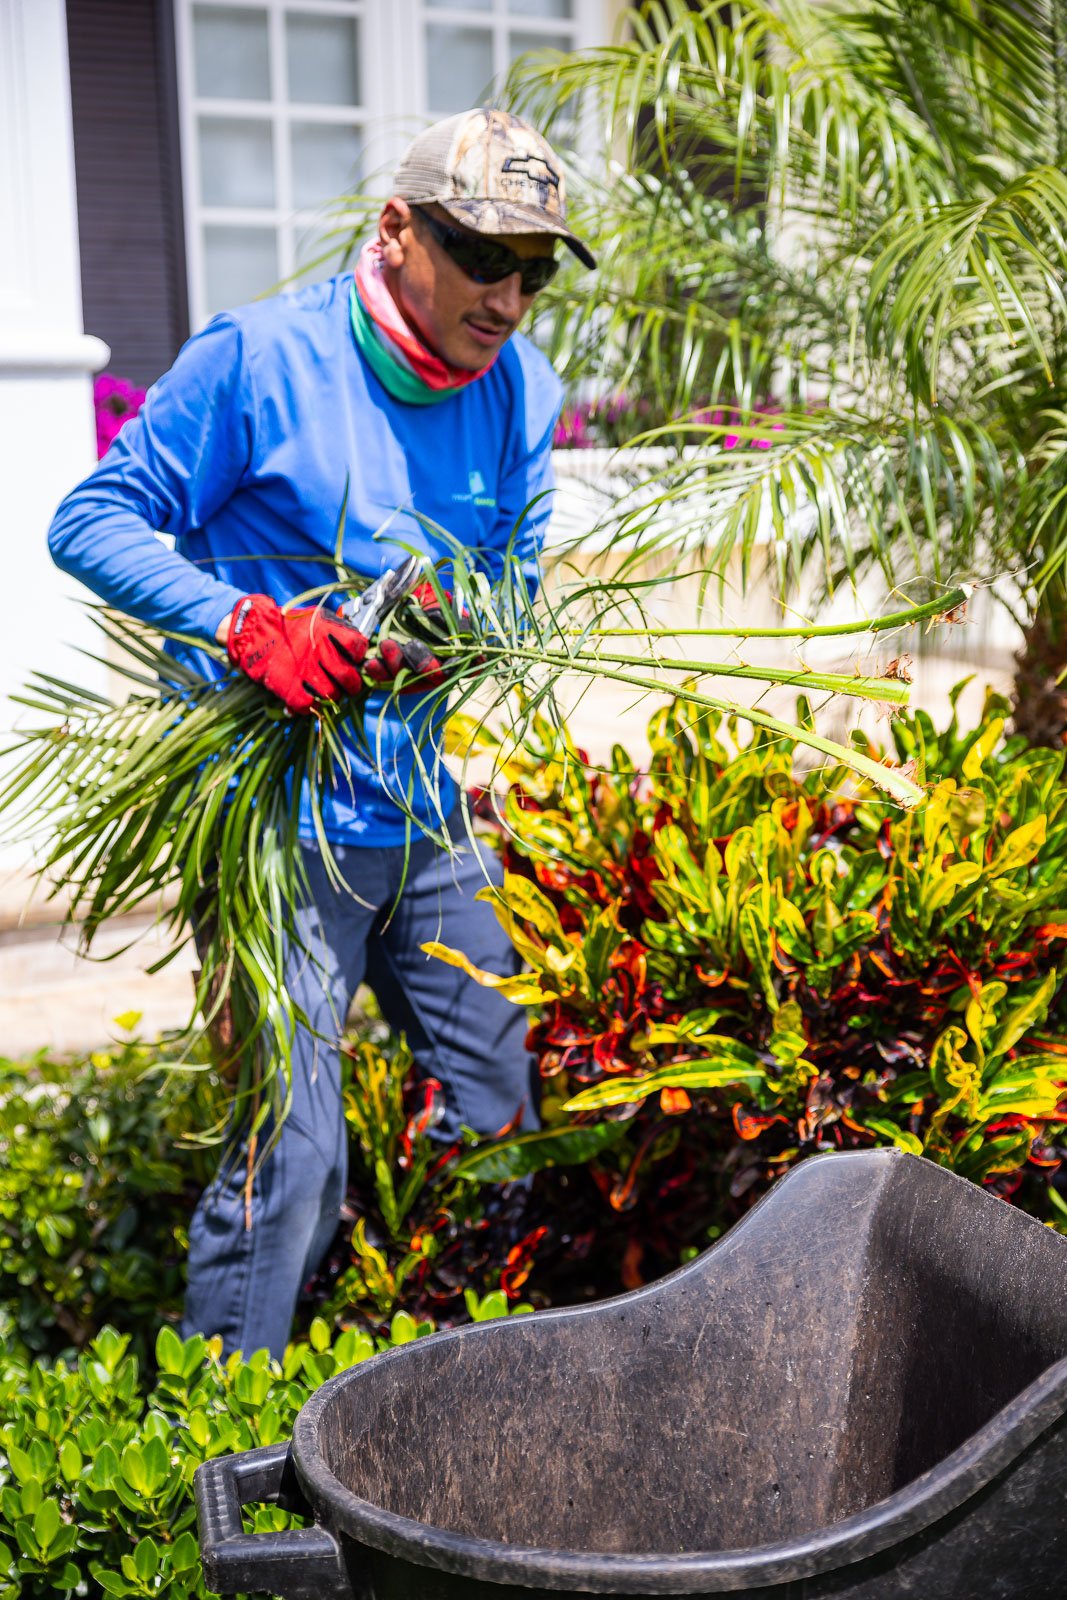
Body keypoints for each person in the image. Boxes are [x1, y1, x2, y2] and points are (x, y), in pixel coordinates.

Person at [47, 108, 596, 1360]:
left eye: (534, 267)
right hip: (273, 821)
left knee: (506, 1108)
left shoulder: (520, 391)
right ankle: (221, 1457)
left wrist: (472, 622)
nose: (506, 296)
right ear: (397, 229)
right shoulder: (255, 362)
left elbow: (511, 572)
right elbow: (91, 521)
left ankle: (435, 1375)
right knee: (285, 1163)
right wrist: (247, 624)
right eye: (478, 254)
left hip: (414, 811)